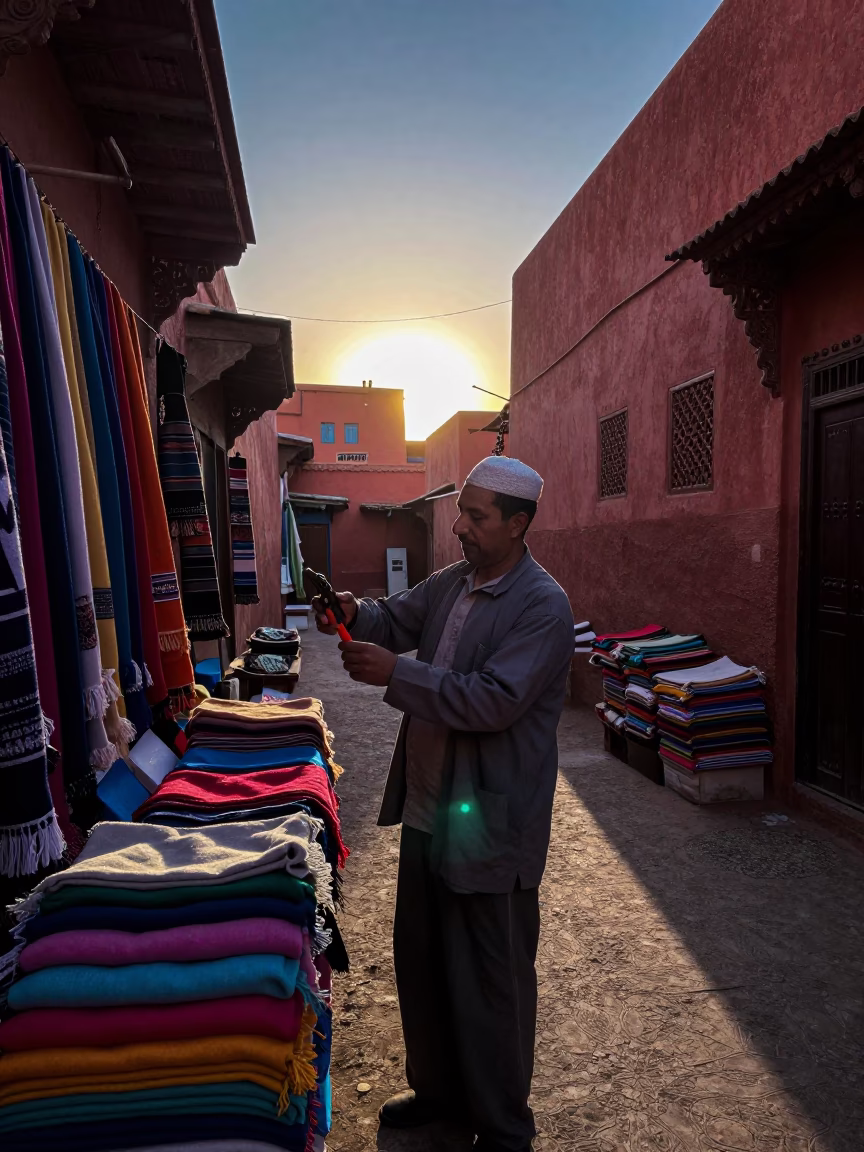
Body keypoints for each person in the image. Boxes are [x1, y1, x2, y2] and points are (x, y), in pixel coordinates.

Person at [313, 456, 574, 1152]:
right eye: (462, 511)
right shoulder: (457, 582)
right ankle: (440, 1097)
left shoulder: (542, 607)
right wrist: (353, 612)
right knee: (423, 961)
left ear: (518, 525)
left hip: (489, 822)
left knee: (491, 978)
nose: (459, 527)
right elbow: (395, 617)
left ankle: (504, 1125)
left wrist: (397, 672)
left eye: (477, 517)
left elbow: (492, 700)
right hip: (430, 811)